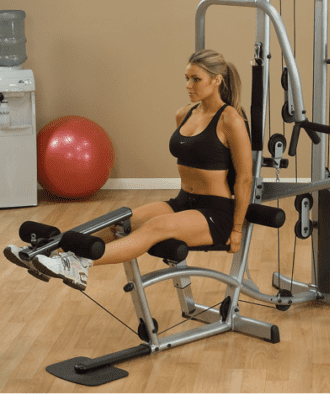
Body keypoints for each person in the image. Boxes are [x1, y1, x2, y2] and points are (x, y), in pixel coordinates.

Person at [4, 49, 253, 291]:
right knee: (119, 222)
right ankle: (45, 254)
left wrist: (236, 229)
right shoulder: (184, 114)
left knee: (154, 228)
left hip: (214, 213)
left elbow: (244, 179)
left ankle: (78, 263)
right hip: (183, 201)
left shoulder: (230, 119)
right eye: (186, 78)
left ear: (217, 80)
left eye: (196, 79)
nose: (188, 85)